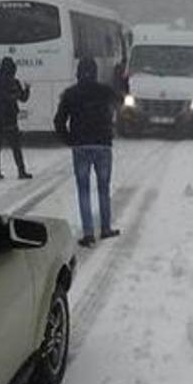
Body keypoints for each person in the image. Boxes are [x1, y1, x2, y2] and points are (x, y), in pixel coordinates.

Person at [54, 57, 123, 247]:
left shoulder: (70, 94)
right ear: (95, 72)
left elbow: (59, 121)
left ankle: (88, 233)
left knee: (83, 191)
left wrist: (69, 140)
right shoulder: (105, 92)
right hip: (102, 145)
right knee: (103, 188)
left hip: (81, 146)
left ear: (78, 72)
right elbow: (122, 102)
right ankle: (106, 228)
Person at [0, 56, 32, 180]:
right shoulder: (14, 82)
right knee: (16, 146)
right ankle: (21, 171)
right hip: (10, 119)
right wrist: (27, 89)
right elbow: (23, 98)